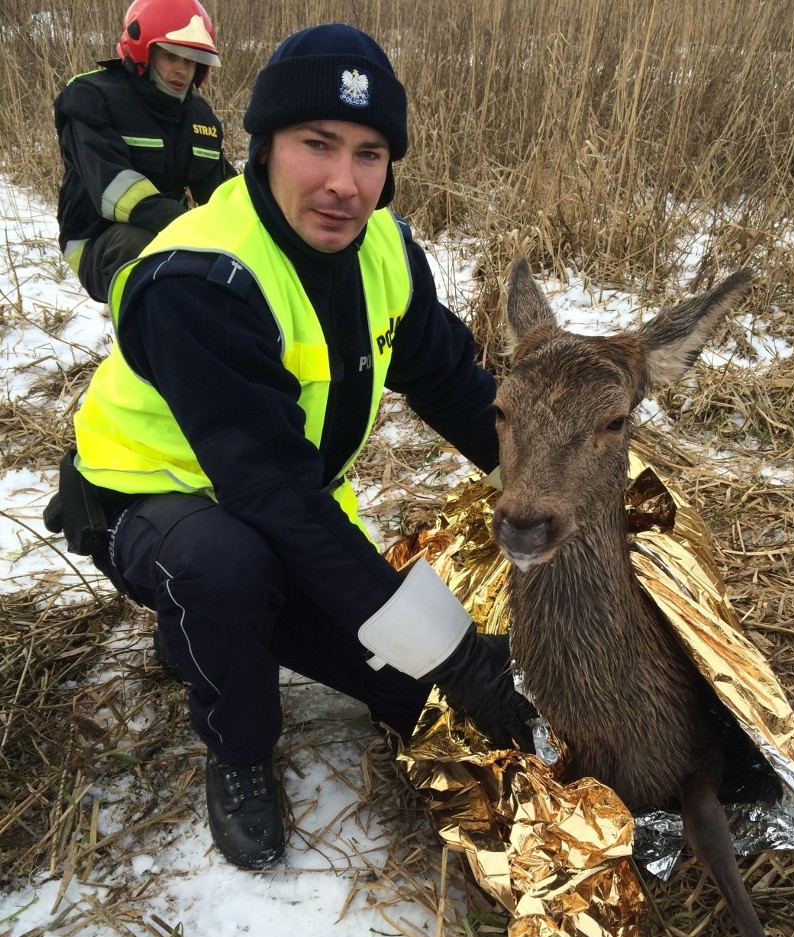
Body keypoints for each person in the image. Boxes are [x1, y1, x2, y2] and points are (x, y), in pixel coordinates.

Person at [60, 22, 537, 870]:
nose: (344, 184)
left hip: (283, 498)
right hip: (153, 501)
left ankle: (216, 632)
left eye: (369, 153)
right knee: (232, 569)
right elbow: (274, 498)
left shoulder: (383, 246)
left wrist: (543, 480)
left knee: (407, 689)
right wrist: (461, 653)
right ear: (265, 144)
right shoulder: (202, 278)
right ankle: (237, 745)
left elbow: (452, 383)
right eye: (317, 144)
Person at [53, 0, 236, 303]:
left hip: (171, 231)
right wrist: (191, 230)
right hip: (97, 240)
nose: (181, 69)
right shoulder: (91, 97)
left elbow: (221, 190)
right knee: (144, 246)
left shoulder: (199, 117)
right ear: (143, 51)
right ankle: (142, 339)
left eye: (191, 61)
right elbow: (113, 187)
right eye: (170, 55)